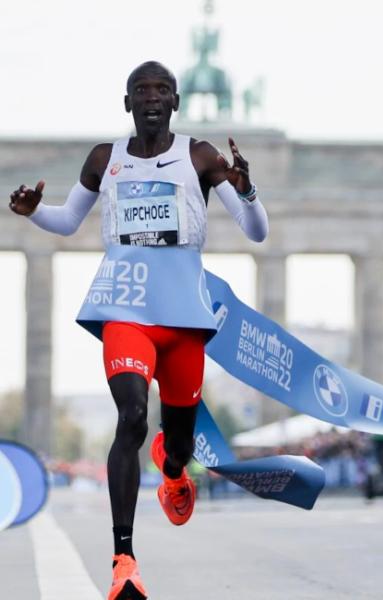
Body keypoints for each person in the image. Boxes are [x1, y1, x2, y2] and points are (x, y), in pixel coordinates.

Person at [9, 61, 269, 600]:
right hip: (125, 306)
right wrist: (36, 213)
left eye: (162, 91)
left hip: (183, 318)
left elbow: (256, 233)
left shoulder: (198, 155)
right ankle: (124, 558)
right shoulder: (105, 158)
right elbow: (67, 221)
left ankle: (172, 466)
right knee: (130, 415)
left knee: (177, 439)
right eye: (141, 91)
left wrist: (246, 192)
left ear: (175, 102)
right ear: (127, 103)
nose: (152, 98)